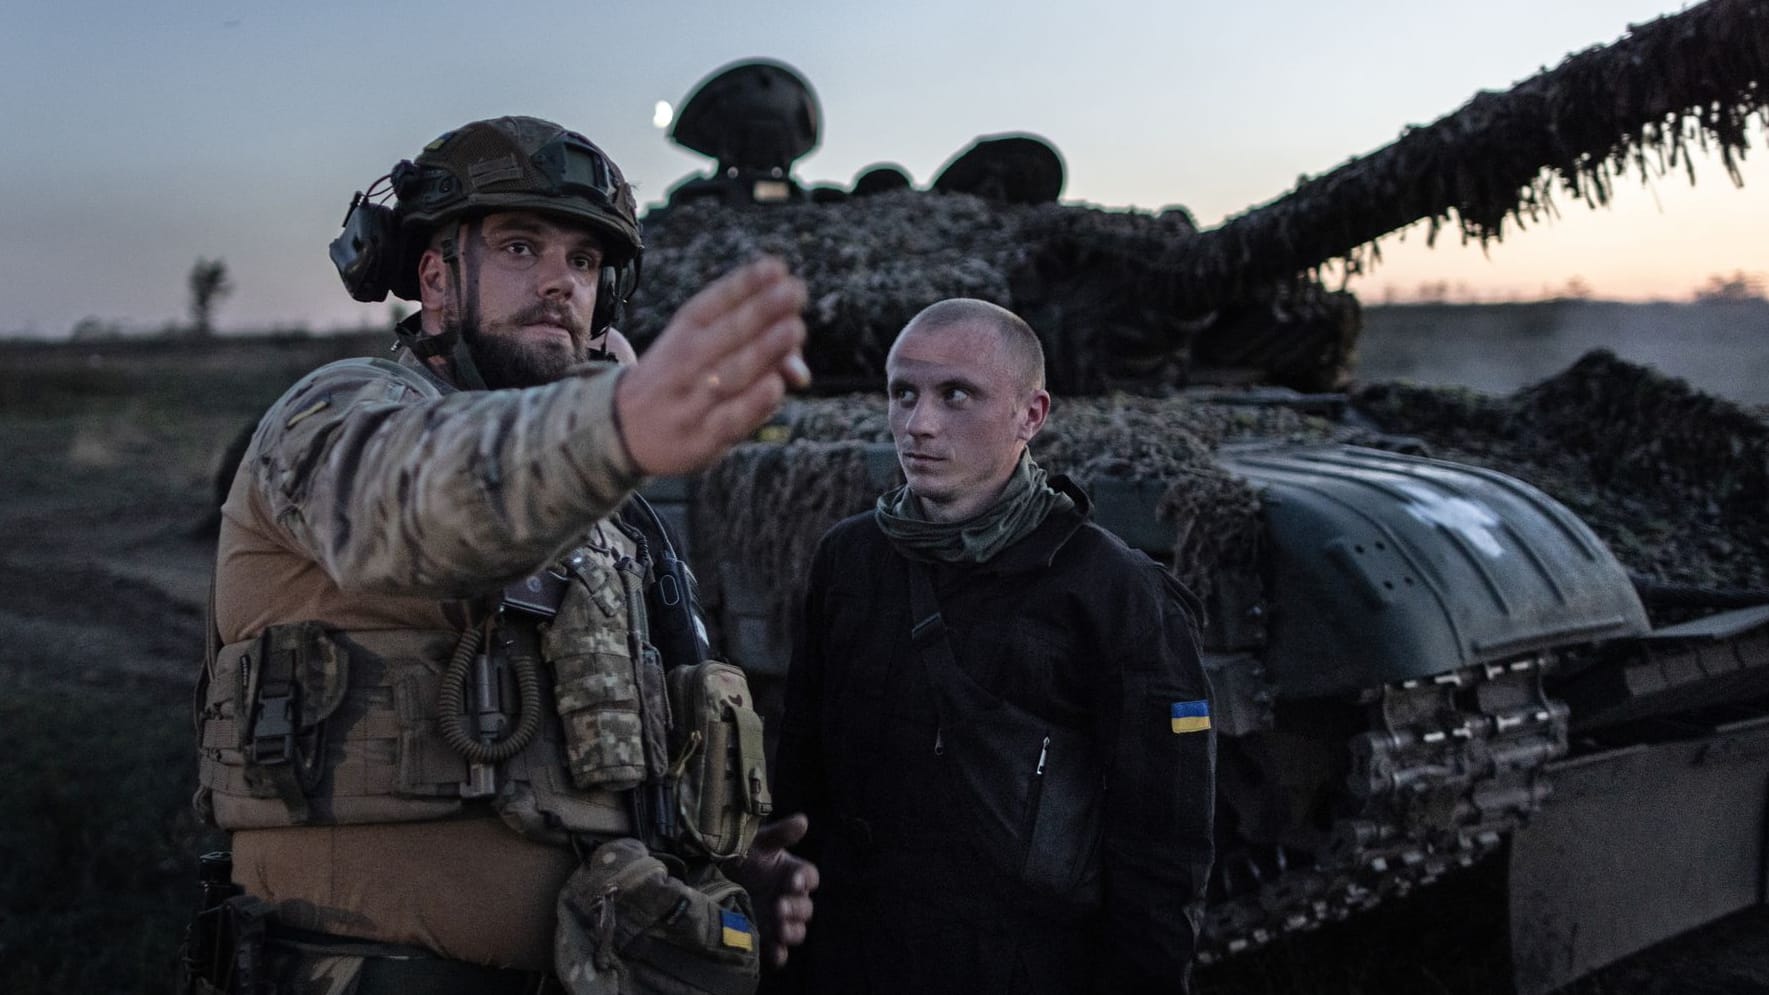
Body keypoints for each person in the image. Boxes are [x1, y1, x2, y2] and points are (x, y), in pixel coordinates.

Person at [188, 115, 815, 994]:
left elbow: (607, 761)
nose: (561, 282)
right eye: (523, 247)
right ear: (437, 279)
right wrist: (617, 421)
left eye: (585, 263)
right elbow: (417, 499)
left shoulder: (607, 511)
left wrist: (723, 874)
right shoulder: (334, 413)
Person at [768, 299, 1215, 994]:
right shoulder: (850, 559)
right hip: (856, 952)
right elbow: (800, 776)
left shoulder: (1112, 593)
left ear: (1029, 415)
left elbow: (1161, 848)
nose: (918, 424)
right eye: (902, 394)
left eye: (956, 395)